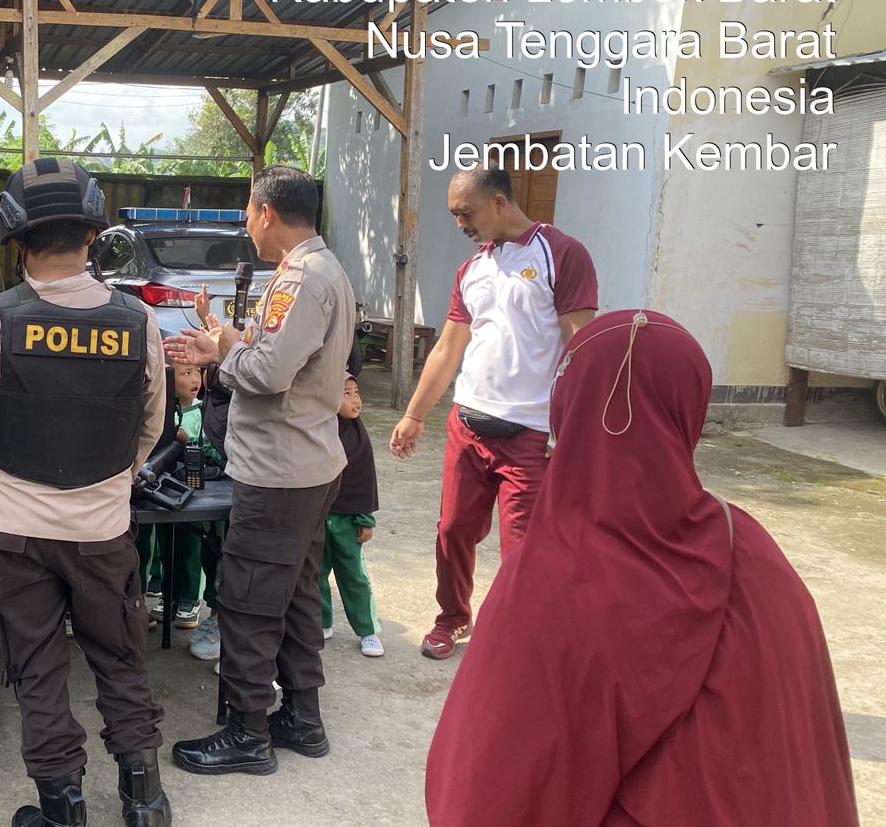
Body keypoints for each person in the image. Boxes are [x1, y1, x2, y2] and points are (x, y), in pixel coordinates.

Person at [427, 310, 871, 827]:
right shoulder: (751, 548)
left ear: (562, 408)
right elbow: (805, 746)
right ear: (689, 412)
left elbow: (498, 787)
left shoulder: (557, 569)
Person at [0, 157, 171, 827]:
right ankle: (142, 807)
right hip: (104, 529)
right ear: (92, 231)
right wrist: (109, 485)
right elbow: (149, 430)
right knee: (121, 656)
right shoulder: (138, 322)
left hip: (15, 530)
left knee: (38, 671)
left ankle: (63, 824)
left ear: (16, 239)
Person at [164, 165, 356, 775]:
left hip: (279, 470)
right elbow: (281, 357)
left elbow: (269, 374)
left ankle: (247, 730)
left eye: (247, 212)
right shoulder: (321, 270)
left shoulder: (301, 277)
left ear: (265, 212)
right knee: (298, 593)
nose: (246, 225)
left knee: (247, 601)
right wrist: (221, 345)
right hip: (306, 462)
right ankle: (302, 715)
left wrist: (225, 347)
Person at [389, 167, 598, 661]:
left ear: (499, 202)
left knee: (523, 549)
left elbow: (580, 344)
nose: (460, 223)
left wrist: (577, 427)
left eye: (466, 212)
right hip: (468, 424)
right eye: (455, 214)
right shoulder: (473, 269)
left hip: (530, 434)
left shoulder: (562, 254)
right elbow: (448, 348)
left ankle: (518, 636)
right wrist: (415, 414)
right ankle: (453, 618)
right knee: (452, 531)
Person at [138, 362, 209, 631]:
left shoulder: (203, 411)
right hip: (155, 488)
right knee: (155, 547)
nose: (194, 379)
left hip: (189, 491)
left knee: (188, 544)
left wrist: (185, 439)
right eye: (185, 373)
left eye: (196, 372)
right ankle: (159, 596)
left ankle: (188, 599)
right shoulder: (158, 409)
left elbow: (206, 447)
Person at [320, 370, 383, 657]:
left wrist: (365, 519)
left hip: (348, 521)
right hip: (319, 517)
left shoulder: (359, 439)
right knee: (314, 574)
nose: (355, 400)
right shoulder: (320, 432)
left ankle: (368, 630)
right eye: (346, 394)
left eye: (356, 392)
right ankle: (321, 622)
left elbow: (365, 480)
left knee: (353, 575)